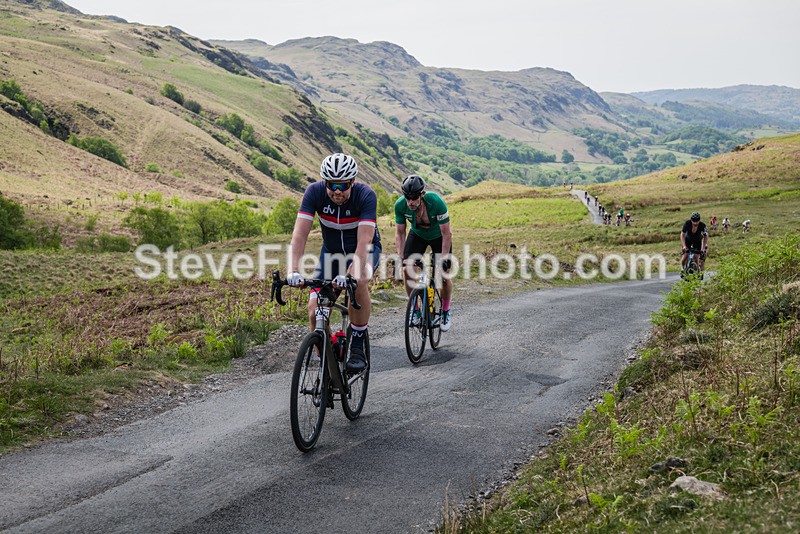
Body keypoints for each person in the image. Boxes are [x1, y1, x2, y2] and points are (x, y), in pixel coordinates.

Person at [285, 153, 381, 372]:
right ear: (324, 182)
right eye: (331, 185)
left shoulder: (366, 196)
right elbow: (299, 236)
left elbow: (364, 241)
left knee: (358, 280)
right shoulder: (314, 192)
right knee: (314, 311)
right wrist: (292, 271)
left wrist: (349, 274)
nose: (337, 191)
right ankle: (330, 354)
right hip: (331, 254)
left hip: (364, 249)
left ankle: (357, 342)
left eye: (343, 185)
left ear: (353, 182)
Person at [394, 174, 454, 332]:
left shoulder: (436, 202)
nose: (410, 202)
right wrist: (400, 256)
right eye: (407, 197)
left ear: (422, 194)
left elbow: (447, 233)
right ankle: (415, 309)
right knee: (406, 268)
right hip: (417, 236)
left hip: (439, 237)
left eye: (414, 198)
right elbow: (400, 233)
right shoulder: (400, 205)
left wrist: (445, 258)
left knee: (444, 275)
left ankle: (446, 311)